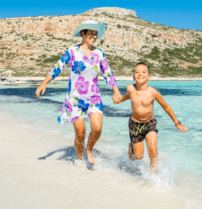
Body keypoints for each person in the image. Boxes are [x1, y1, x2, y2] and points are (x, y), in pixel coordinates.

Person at [36, 20, 121, 164]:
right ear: (83, 33)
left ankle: (89, 149)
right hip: (75, 99)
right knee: (80, 133)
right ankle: (80, 158)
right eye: (91, 33)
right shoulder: (72, 51)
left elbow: (108, 73)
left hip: (94, 97)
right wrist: (44, 83)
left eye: (95, 34)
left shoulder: (99, 53)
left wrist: (116, 91)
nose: (94, 36)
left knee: (97, 128)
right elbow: (59, 66)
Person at [115, 62, 188, 174]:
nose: (140, 74)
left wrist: (177, 123)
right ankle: (132, 147)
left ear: (149, 76)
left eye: (144, 72)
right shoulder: (130, 88)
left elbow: (166, 107)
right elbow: (126, 97)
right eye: (137, 72)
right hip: (135, 125)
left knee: (153, 152)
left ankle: (154, 178)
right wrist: (119, 100)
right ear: (133, 77)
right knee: (138, 157)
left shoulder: (153, 92)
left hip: (150, 124)